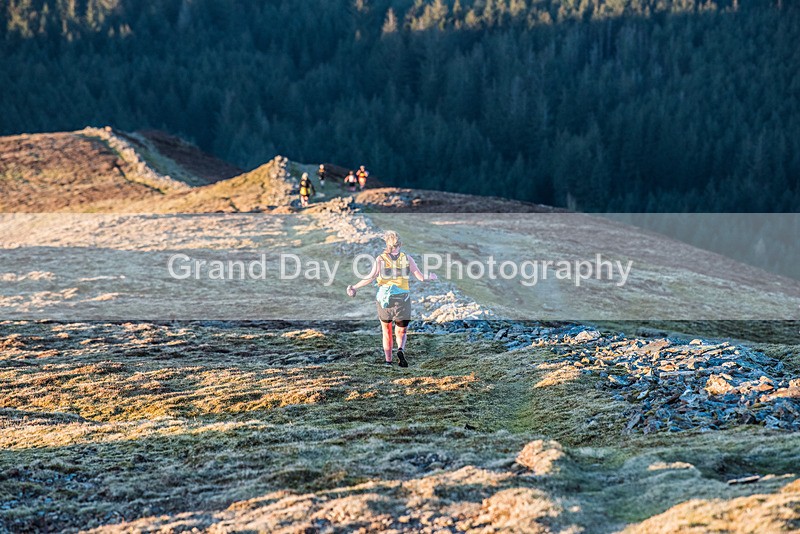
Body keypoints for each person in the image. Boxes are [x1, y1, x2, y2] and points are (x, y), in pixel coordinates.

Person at [346, 231, 437, 367]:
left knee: (386, 331)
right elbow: (420, 277)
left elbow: (370, 277)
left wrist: (354, 287)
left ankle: (388, 361)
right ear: (400, 244)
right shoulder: (407, 258)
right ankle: (400, 349)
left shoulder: (381, 259)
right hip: (402, 300)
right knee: (401, 330)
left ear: (387, 244)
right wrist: (431, 277)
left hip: (385, 301)